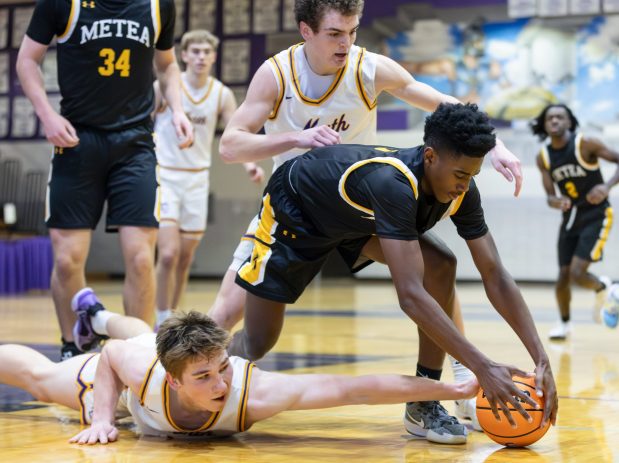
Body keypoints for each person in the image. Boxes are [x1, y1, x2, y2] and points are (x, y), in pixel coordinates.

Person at [210, 0, 522, 442]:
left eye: (353, 31)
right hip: (295, 210)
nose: (347, 43)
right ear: (306, 31)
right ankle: (175, 382)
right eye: (336, 34)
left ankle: (432, 398)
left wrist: (497, 145)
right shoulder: (276, 74)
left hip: (361, 208)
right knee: (229, 319)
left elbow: (440, 102)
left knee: (438, 266)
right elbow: (230, 145)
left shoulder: (370, 68)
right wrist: (296, 137)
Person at [225, 103, 558, 444]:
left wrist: (541, 359)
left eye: (472, 175)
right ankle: (207, 372)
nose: (464, 185)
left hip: (357, 219)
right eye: (460, 175)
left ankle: (423, 402)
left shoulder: (462, 191)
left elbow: (495, 274)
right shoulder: (393, 183)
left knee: (441, 265)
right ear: (430, 156)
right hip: (298, 212)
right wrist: (483, 367)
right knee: (258, 340)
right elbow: (411, 297)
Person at [0, 305, 480, 444]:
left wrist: (450, 387)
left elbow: (352, 387)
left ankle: (99, 313)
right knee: (41, 380)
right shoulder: (145, 372)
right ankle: (100, 320)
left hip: (148, 359)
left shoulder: (251, 391)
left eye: (222, 369)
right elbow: (112, 357)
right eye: (204, 377)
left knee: (148, 334)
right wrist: (102, 417)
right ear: (174, 381)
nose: (221, 385)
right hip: (126, 386)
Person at [16, 0, 194, 359]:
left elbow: (167, 64)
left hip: (135, 143)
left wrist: (177, 109)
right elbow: (26, 60)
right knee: (67, 260)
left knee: (142, 259)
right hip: (77, 141)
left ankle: (138, 354)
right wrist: (46, 115)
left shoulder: (158, 6)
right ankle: (74, 347)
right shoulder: (62, 4)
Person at [153, 30, 265, 329]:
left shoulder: (221, 94)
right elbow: (141, 123)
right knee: (167, 254)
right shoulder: (165, 86)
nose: (201, 56)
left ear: (214, 56)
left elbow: (237, 133)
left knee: (186, 256)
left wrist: (250, 165)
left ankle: (173, 316)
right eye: (196, 51)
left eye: (207, 51)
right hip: (165, 175)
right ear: (185, 55)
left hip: (197, 179)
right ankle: (161, 316)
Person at [532, 104, 619, 339]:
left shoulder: (586, 143)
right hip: (570, 218)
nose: (555, 121)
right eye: (550, 118)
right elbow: (550, 196)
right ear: (545, 124)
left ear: (569, 122)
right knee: (563, 277)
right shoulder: (543, 157)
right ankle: (565, 323)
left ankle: (606, 289)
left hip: (597, 214)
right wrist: (555, 201)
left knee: (577, 274)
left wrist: (606, 186)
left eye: (560, 117)